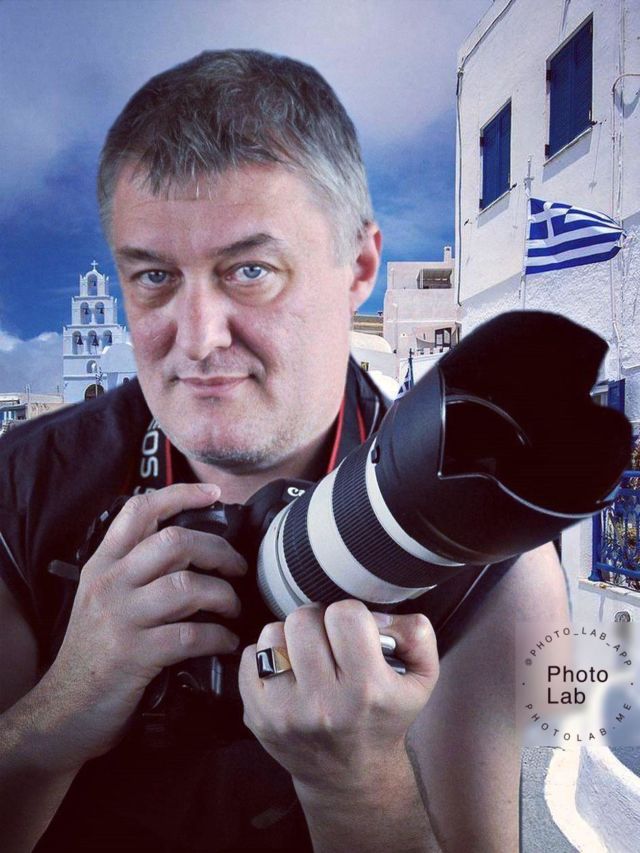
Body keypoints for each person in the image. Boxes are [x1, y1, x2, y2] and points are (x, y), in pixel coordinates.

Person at [0, 50, 568, 852]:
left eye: (250, 270)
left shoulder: (478, 535)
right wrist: (56, 712)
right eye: (155, 277)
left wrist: (360, 791)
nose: (199, 338)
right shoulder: (21, 489)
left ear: (359, 266)